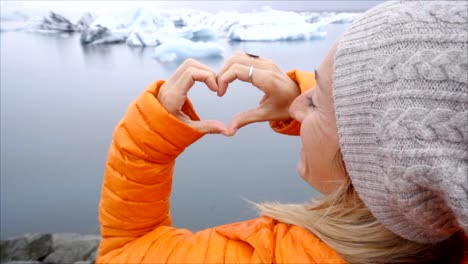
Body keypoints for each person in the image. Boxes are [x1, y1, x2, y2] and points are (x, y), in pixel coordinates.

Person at [96, 1, 467, 263]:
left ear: (382, 158)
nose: (293, 106)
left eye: (314, 101)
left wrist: (149, 137)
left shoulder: (276, 256)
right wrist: (322, 102)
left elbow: (126, 253)